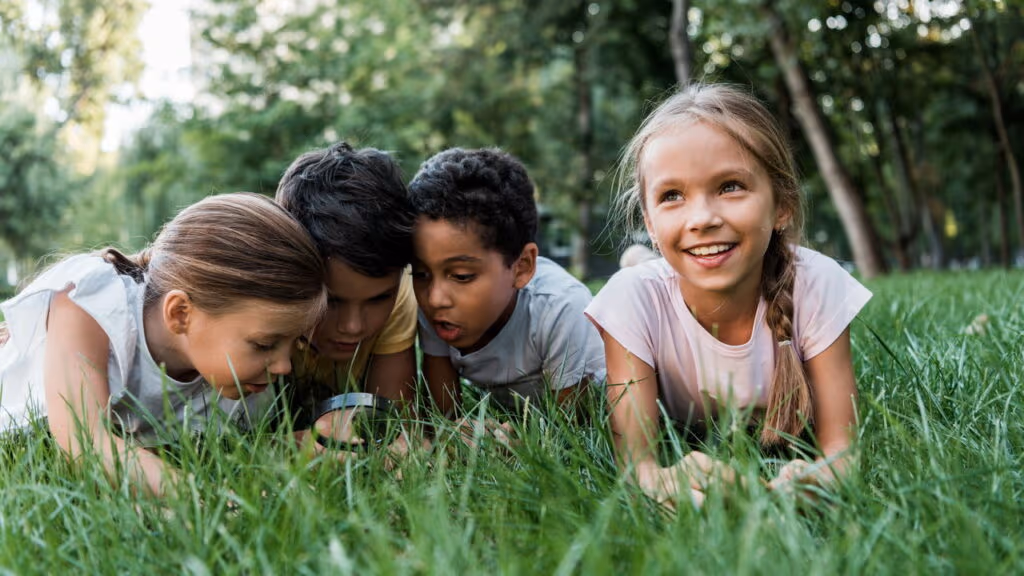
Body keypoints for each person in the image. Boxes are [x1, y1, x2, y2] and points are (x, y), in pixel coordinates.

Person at [585, 84, 872, 508]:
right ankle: (640, 260)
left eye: (730, 186)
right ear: (648, 221)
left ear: (782, 205)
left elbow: (842, 452)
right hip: (649, 284)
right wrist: (666, 483)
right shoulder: (631, 301)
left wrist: (817, 480)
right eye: (672, 196)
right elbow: (636, 468)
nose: (702, 218)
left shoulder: (817, 283)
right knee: (640, 276)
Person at [0, 193, 327, 496]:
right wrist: (199, 498)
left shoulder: (237, 380)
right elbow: (83, 442)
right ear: (181, 313)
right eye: (265, 344)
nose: (284, 366)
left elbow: (204, 452)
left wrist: (297, 444)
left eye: (295, 342)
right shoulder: (92, 302)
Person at [409, 147, 605, 425]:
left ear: (521, 266)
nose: (435, 298)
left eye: (462, 276)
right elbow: (445, 420)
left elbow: (574, 429)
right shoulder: (436, 306)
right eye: (420, 273)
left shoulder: (560, 309)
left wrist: (515, 439)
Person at [274, 142, 418, 450]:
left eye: (378, 300)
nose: (353, 326)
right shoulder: (258, 302)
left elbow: (392, 424)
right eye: (332, 301)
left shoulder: (400, 297)